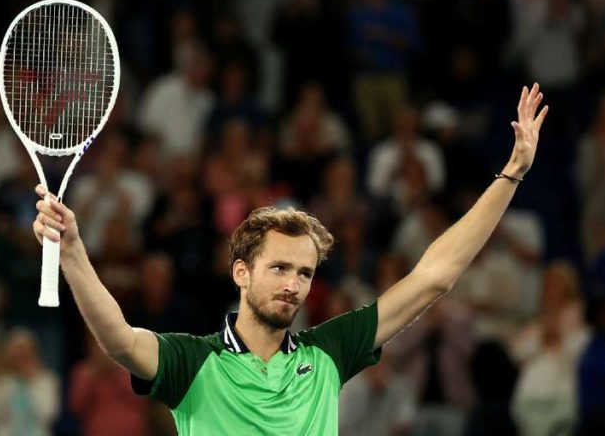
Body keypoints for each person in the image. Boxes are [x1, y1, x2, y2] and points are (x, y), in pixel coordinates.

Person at [32, 85, 548, 434]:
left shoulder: (328, 353)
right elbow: (120, 340)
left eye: (304, 273)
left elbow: (434, 275)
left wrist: (512, 174)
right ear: (241, 272)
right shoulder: (194, 362)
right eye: (280, 267)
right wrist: (74, 251)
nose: (294, 284)